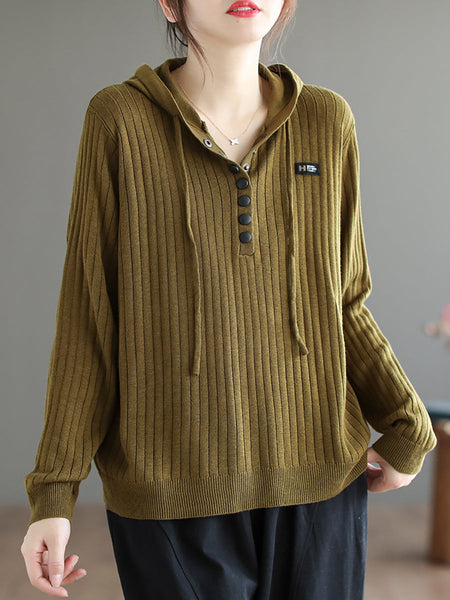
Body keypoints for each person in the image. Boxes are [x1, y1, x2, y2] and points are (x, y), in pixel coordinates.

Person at [21, 1, 437, 598]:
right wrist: (54, 493)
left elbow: (343, 300)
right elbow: (90, 314)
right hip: (171, 487)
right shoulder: (120, 120)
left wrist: (406, 423)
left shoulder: (326, 119)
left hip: (320, 478)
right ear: (170, 3)